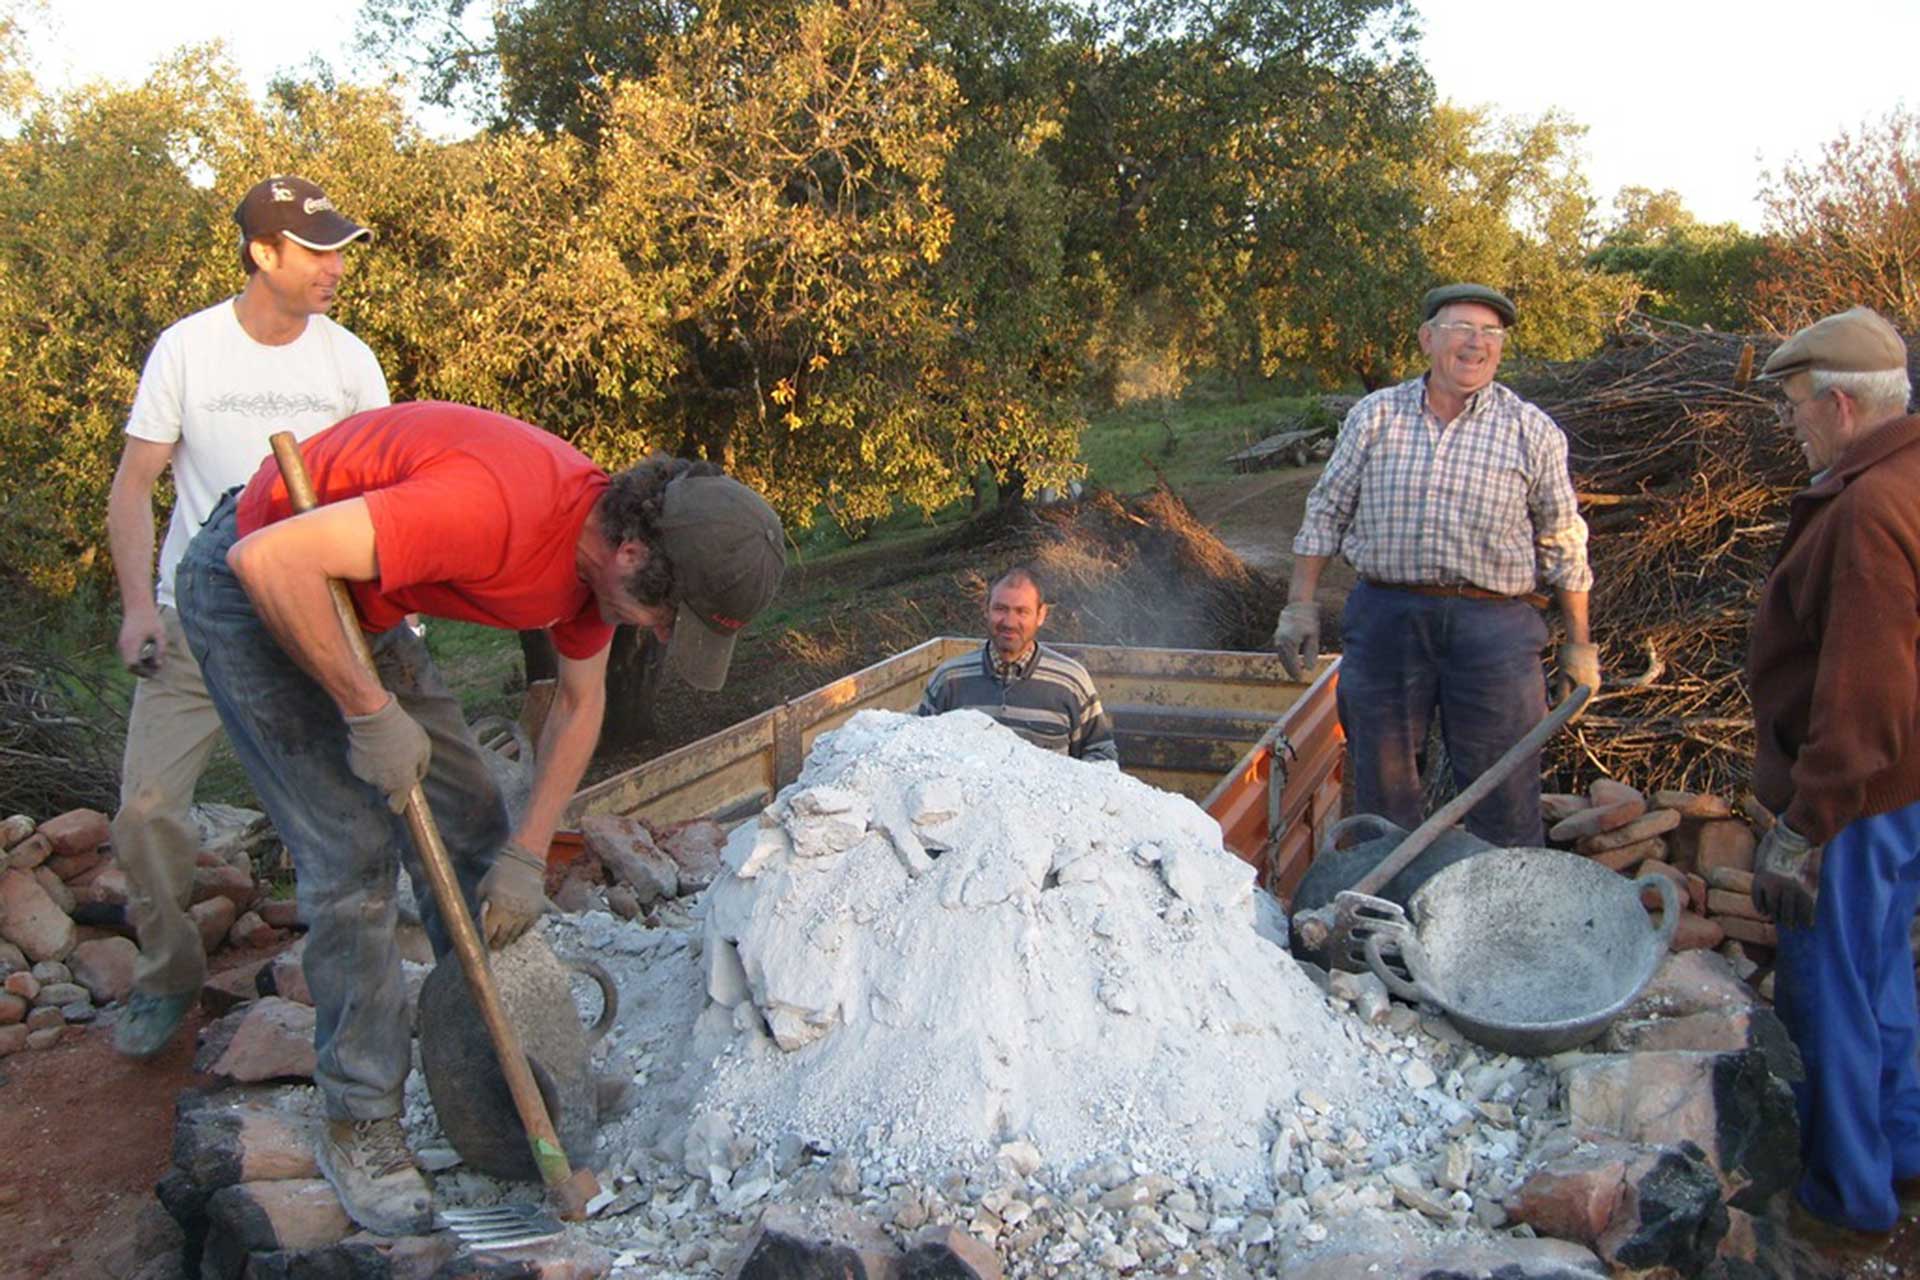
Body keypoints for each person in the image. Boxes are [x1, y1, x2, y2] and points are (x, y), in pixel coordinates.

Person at [172, 401, 785, 1234]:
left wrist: (528, 854)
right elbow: (267, 560)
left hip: (359, 602)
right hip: (255, 589)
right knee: (352, 856)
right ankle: (361, 1121)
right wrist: (367, 711)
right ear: (632, 553)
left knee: (475, 833)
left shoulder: (595, 567)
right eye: (665, 618)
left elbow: (579, 701)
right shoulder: (495, 510)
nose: (657, 633)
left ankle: (525, 1071)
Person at [107, 176, 388, 1059]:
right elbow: (134, 484)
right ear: (263, 254)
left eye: (339, 250)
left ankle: (366, 971)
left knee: (362, 789)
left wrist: (391, 623)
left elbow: (384, 493)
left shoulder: (347, 360)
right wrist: (134, 608)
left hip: (310, 615)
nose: (334, 267)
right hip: (196, 614)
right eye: (316, 251)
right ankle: (168, 975)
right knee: (147, 808)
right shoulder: (187, 350)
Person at [1271, 283, 1598, 847]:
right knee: (1382, 792)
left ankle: (1499, 926)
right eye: (1461, 329)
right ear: (1427, 338)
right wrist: (1300, 606)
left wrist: (1579, 644)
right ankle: (1384, 919)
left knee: (1504, 789)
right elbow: (1326, 509)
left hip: (1495, 627)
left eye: (1491, 334)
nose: (1476, 345)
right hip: (1388, 619)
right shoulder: (1376, 416)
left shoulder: (1530, 429)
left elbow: (1563, 539)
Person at [1745, 306, 1920, 1250]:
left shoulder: (1866, 506)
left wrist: (1806, 822)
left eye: (1795, 406)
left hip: (1859, 798)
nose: (1790, 424)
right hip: (1906, 794)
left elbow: (1865, 689)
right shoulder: (1907, 477)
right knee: (1883, 974)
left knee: (1831, 994)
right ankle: (1902, 1154)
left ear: (1842, 405)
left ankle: (1846, 1205)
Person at [918, 565, 1118, 763]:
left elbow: (1101, 754)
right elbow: (919, 752)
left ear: (1041, 615)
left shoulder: (1071, 682)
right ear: (985, 609)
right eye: (1000, 609)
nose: (1009, 622)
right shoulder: (949, 680)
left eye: (1022, 611)